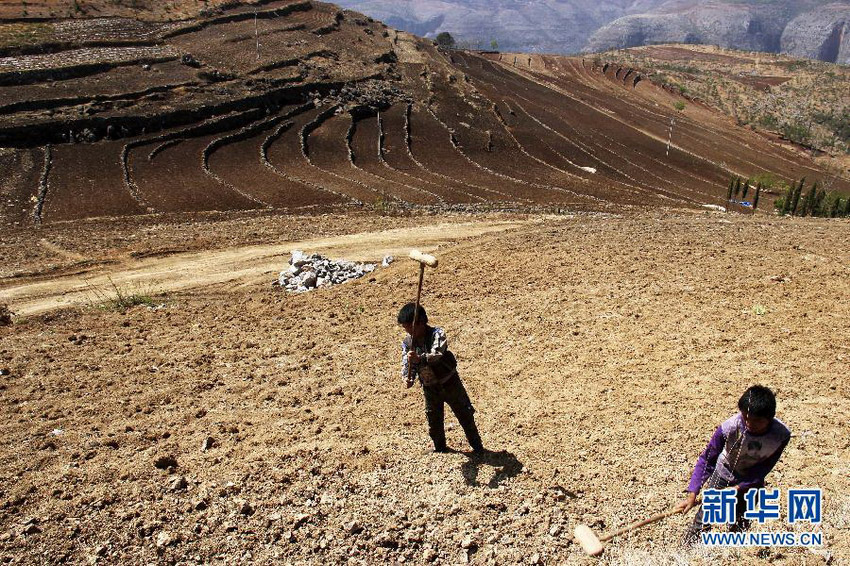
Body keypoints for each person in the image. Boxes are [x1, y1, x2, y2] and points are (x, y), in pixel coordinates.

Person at [677, 385, 791, 544]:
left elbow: (764, 467)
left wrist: (739, 487)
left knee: (742, 521)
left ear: (770, 417)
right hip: (723, 473)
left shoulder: (781, 435)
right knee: (704, 518)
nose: (750, 424)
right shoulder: (729, 428)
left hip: (751, 482)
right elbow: (707, 459)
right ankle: (688, 547)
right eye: (746, 417)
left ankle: (734, 551)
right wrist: (693, 493)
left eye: (757, 420)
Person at [397, 302, 485, 453]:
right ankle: (440, 448)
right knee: (434, 419)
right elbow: (407, 362)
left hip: (450, 383)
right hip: (430, 387)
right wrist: (408, 377)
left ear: (421, 323)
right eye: (405, 328)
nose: (407, 331)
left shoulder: (437, 333)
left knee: (465, 414)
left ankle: (478, 448)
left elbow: (437, 354)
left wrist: (420, 359)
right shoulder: (407, 342)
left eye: (409, 327)